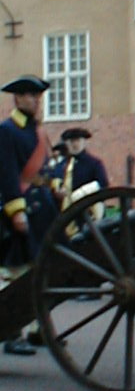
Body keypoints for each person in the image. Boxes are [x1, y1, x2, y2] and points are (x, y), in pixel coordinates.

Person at [0, 75, 59, 355]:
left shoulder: (38, 132)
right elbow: (8, 174)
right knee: (17, 272)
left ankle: (39, 329)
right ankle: (11, 332)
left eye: (38, 96)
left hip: (43, 208)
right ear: (18, 98)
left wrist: (55, 188)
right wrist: (16, 210)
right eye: (30, 95)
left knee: (42, 269)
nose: (36, 101)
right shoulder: (7, 131)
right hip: (22, 208)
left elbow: (46, 170)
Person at [58, 127, 109, 214]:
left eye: (77, 141)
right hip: (66, 212)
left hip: (89, 211)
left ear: (84, 142)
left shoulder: (94, 163)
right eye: (71, 141)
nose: (75, 144)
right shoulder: (61, 165)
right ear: (66, 144)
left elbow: (103, 185)